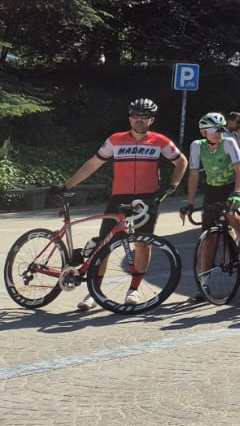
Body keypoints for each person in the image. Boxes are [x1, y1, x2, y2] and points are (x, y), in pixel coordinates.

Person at [60, 98, 187, 311]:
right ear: (129, 117)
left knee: (142, 244)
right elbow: (94, 163)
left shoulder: (160, 141)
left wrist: (172, 186)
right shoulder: (115, 140)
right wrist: (68, 185)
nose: (139, 119)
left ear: (151, 120)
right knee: (104, 245)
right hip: (119, 197)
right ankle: (94, 292)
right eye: (135, 115)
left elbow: (181, 161)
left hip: (147, 198)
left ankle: (134, 289)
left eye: (144, 116)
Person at [183, 112, 240, 307]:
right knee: (209, 237)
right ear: (203, 131)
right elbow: (194, 175)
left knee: (231, 215)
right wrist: (189, 202)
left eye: (221, 129)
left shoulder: (228, 143)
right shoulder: (197, 146)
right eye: (214, 130)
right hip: (213, 189)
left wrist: (238, 193)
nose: (218, 133)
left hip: (231, 185)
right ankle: (204, 284)